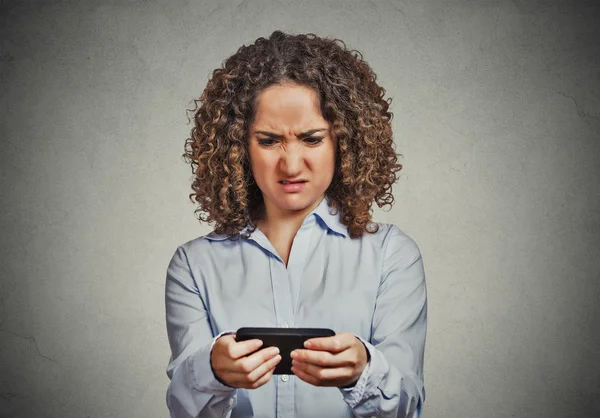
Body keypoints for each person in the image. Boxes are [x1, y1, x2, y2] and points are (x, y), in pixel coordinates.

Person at [164, 30, 427, 418]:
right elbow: (184, 411)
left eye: (311, 139)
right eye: (269, 141)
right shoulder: (193, 265)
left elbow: (407, 407)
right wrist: (212, 371)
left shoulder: (392, 255)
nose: (290, 165)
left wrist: (363, 371)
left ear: (344, 140)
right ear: (238, 145)